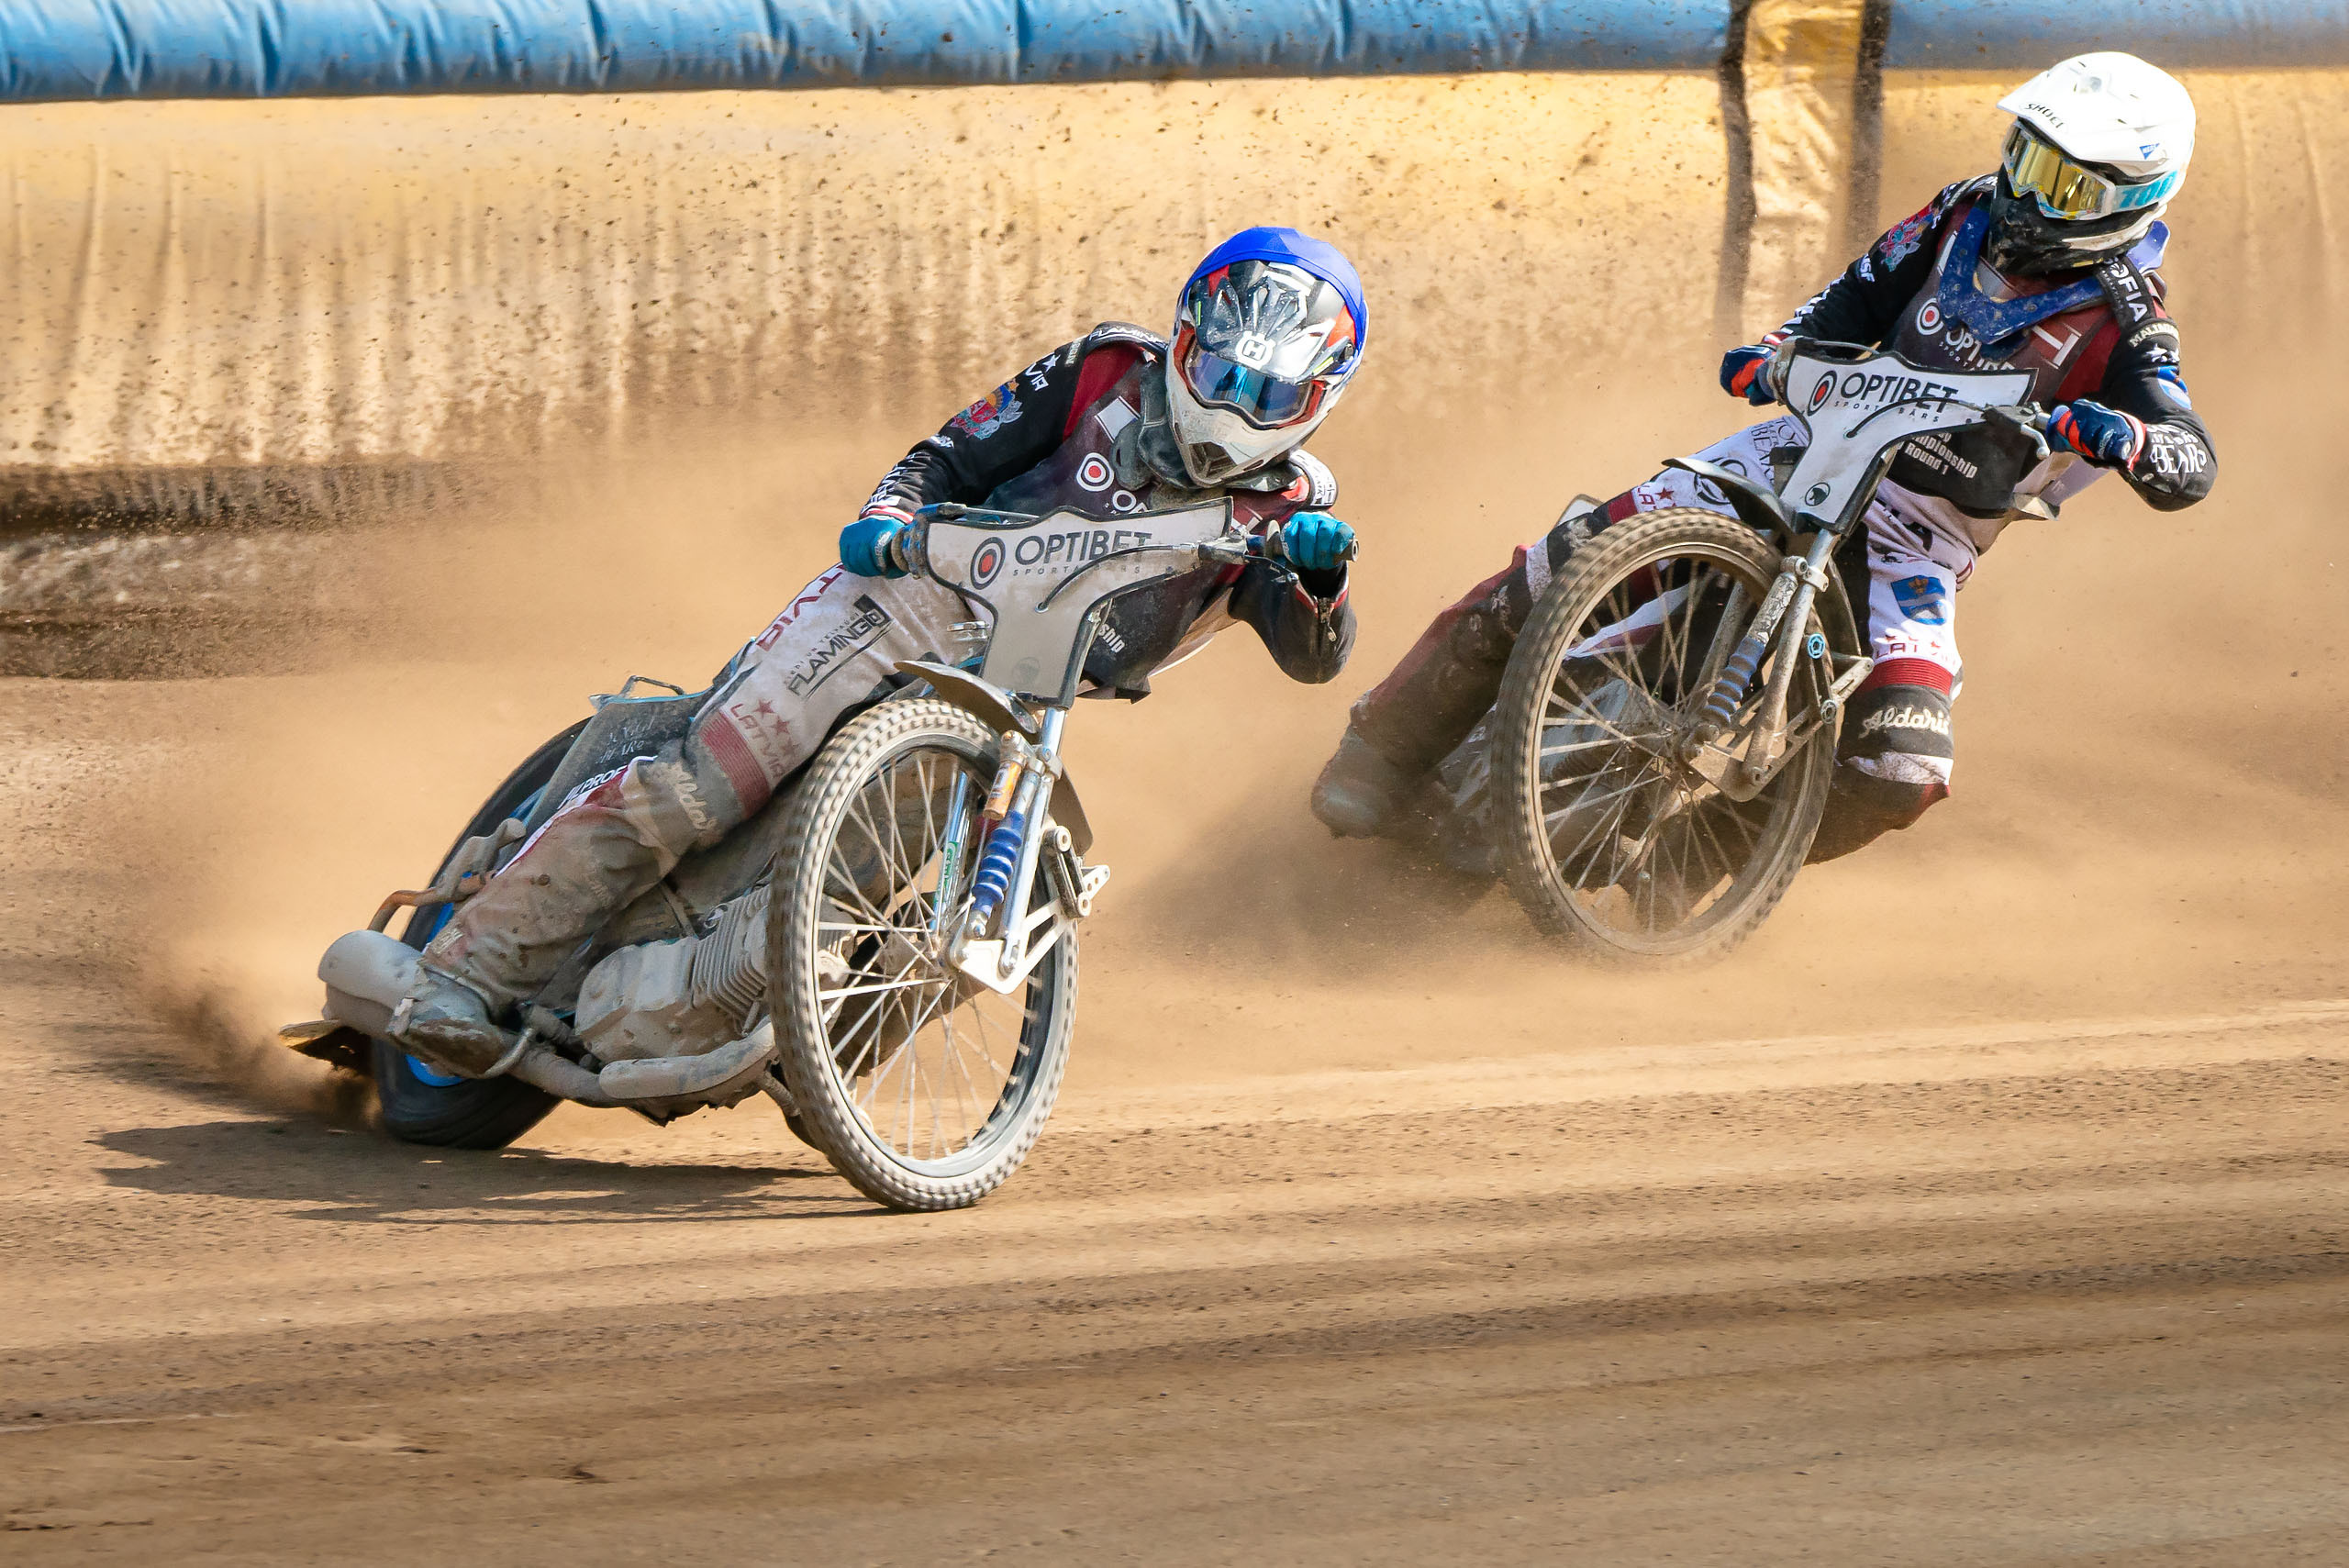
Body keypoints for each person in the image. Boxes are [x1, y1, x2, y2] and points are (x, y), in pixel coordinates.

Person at [395, 226, 1368, 1073]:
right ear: (1185, 337)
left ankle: (802, 1057)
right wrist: (889, 513)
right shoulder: (1102, 370)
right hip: (911, 595)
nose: (1233, 405)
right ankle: (460, 976)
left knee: (881, 880)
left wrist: (1320, 584)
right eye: (1219, 372)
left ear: (1315, 397)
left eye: (1264, 391)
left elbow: (1312, 655)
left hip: (1020, 698)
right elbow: (947, 456)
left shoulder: (1289, 508)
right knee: (705, 785)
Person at [1312, 51, 2214, 864]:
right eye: (2025, 155)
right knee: (1570, 556)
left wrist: (2132, 438)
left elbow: (2189, 453)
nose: (2025, 190)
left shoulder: (2129, 319)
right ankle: (1384, 746)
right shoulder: (1961, 211)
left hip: (1918, 538)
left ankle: (1699, 860)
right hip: (1801, 446)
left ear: (2130, 200)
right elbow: (1855, 297)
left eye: (2061, 183)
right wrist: (1779, 349)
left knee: (1903, 765)